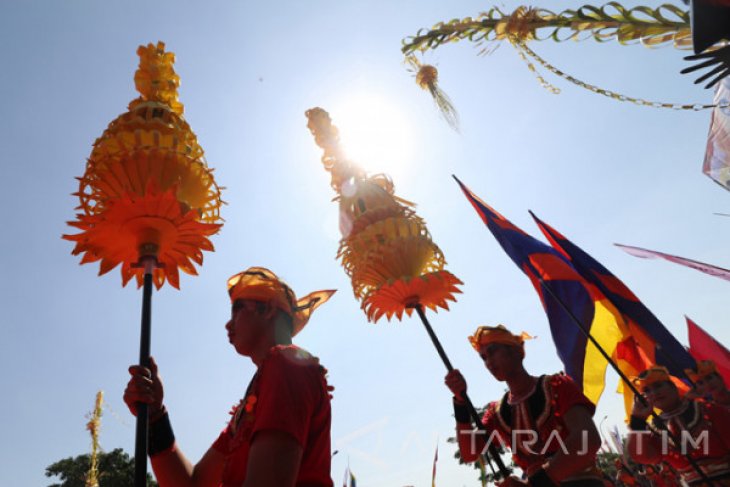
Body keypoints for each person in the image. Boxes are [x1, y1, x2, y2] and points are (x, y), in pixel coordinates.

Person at [124, 266, 336, 487]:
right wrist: (154, 416)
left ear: (269, 309)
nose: (228, 323)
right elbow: (193, 484)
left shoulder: (287, 364)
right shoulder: (250, 406)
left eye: (237, 308)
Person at [444, 325, 603, 486]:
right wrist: (460, 401)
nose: (489, 363)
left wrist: (532, 484)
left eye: (492, 352)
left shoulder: (557, 386)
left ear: (514, 351)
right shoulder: (497, 413)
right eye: (484, 358)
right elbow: (470, 452)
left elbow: (587, 440)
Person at [627, 365, 730, 486]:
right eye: (647, 391)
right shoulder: (655, 429)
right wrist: (637, 421)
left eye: (658, 386)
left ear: (674, 387)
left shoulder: (708, 410)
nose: (654, 393)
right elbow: (643, 457)